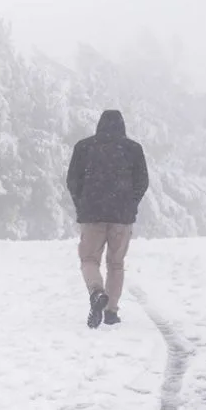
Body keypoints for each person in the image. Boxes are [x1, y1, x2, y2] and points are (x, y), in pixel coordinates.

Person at [66, 109, 150, 329]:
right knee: (116, 263)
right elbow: (142, 181)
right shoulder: (133, 149)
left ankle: (96, 292)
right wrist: (130, 204)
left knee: (89, 259)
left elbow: (73, 181)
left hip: (92, 214)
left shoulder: (84, 147)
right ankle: (111, 311)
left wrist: (82, 203)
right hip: (122, 216)